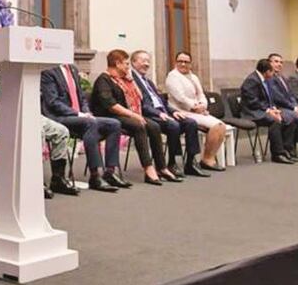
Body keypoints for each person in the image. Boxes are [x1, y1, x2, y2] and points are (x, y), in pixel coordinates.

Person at [0, 0, 78, 198]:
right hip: (5, 117)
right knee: (34, 132)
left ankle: (58, 179)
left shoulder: (18, 67)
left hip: (27, 114)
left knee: (61, 131)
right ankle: (32, 181)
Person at [90, 50, 180, 185]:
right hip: (110, 116)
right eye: (126, 64)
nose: (128, 67)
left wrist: (131, 82)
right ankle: (148, 168)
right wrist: (133, 115)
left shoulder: (124, 80)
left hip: (125, 115)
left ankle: (161, 167)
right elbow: (111, 106)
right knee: (139, 125)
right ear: (117, 64)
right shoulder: (104, 80)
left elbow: (139, 97)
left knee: (154, 126)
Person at [42, 63, 128, 192]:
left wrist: (87, 112)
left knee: (114, 124)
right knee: (91, 123)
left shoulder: (72, 69)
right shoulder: (48, 71)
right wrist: (79, 114)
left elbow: (82, 98)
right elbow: (53, 102)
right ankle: (95, 175)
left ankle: (110, 172)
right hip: (59, 117)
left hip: (81, 117)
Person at [130, 50, 206, 178]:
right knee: (173, 125)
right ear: (133, 62)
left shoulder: (148, 81)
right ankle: (172, 162)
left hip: (162, 112)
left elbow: (161, 101)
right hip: (149, 114)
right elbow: (141, 105)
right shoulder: (132, 80)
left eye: (148, 61)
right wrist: (158, 113)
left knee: (190, 123)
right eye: (143, 61)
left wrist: (173, 111)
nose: (146, 64)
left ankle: (191, 162)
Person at [163, 51, 227, 172]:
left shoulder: (193, 77)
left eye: (186, 62)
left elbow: (201, 94)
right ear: (176, 62)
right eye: (180, 61)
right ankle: (207, 160)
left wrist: (203, 105)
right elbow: (180, 97)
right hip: (181, 111)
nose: (183, 64)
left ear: (190, 64)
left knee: (221, 126)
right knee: (216, 126)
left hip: (198, 111)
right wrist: (195, 106)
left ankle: (208, 158)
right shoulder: (172, 76)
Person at [239, 59, 297, 164]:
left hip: (262, 109)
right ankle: (277, 154)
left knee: (290, 118)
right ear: (267, 71)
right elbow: (252, 101)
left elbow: (268, 99)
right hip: (252, 112)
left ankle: (287, 150)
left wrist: (273, 108)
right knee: (274, 121)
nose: (273, 74)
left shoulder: (264, 80)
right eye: (272, 72)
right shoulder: (252, 80)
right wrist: (268, 111)